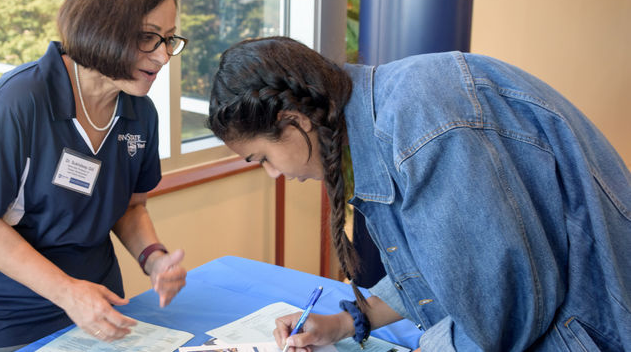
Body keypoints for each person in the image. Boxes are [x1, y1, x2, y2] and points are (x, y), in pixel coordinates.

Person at [207, 36, 630, 352]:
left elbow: (500, 316)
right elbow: (447, 270)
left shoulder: (421, 124)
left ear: (293, 121)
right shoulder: (378, 116)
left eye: (261, 158)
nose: (274, 175)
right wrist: (343, 322)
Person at [0, 0, 188, 352]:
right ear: (102, 29)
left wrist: (153, 258)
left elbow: (130, 206)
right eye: (149, 38)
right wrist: (66, 292)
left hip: (92, 301)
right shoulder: (20, 102)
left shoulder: (139, 112)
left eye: (169, 39)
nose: (164, 56)